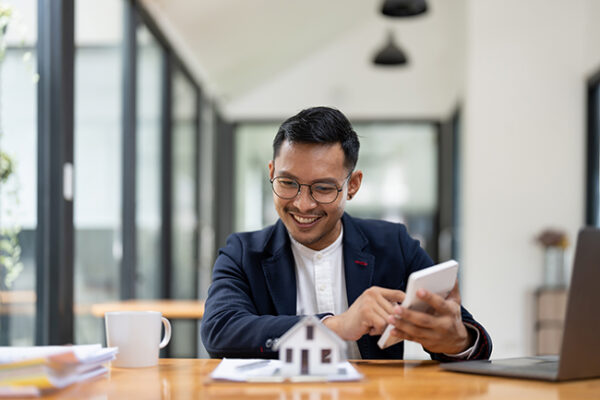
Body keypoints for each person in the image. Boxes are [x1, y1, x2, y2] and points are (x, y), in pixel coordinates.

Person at [201, 106, 492, 360]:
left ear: (352, 185)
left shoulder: (395, 245)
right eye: (288, 183)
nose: (303, 204)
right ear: (271, 172)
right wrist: (334, 326)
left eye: (323, 188)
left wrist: (457, 341)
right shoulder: (242, 252)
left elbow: (468, 337)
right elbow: (219, 331)